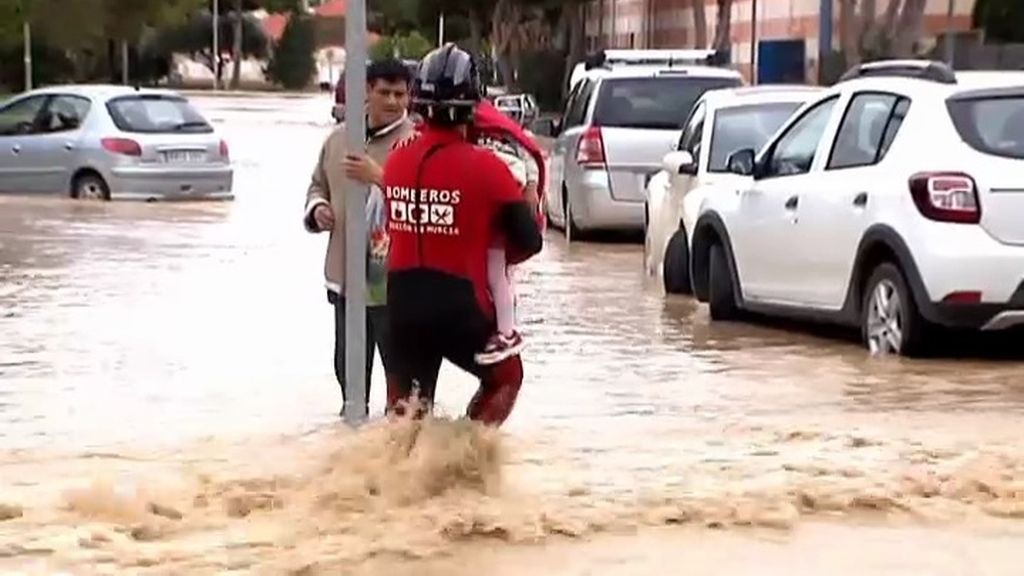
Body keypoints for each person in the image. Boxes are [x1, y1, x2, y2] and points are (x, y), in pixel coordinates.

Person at [381, 43, 544, 426]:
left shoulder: (396, 161)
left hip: (400, 304)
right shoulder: (488, 168)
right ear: (474, 106)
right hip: (459, 305)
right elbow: (529, 241)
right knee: (507, 376)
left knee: (405, 420)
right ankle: (465, 458)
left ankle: (391, 477)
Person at [303, 58, 417, 416]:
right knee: (348, 372)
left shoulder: (415, 144)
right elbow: (316, 185)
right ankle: (354, 443)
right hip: (345, 277)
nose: (394, 101)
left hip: (394, 282)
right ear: (367, 91)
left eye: (401, 94)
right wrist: (318, 209)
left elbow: (424, 201)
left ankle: (401, 451)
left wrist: (379, 176)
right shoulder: (339, 140)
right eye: (385, 92)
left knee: (403, 378)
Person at [470, 101, 547, 365]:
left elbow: (530, 158)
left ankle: (506, 332)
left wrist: (531, 188)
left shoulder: (507, 135)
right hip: (491, 195)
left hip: (503, 197)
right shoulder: (475, 127)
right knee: (496, 272)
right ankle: (502, 328)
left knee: (496, 270)